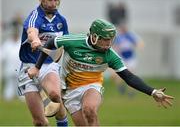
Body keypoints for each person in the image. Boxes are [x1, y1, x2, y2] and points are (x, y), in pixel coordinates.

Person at [27, 19, 174, 126]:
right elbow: (51, 42)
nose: (108, 44)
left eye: (111, 40)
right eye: (105, 40)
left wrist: (153, 92)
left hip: (92, 85)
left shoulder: (110, 55)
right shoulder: (74, 41)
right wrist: (37, 68)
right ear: (94, 36)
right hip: (68, 90)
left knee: (90, 110)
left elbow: (128, 77)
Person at [18, 0, 69, 126]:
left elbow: (66, 42)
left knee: (54, 95)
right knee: (39, 122)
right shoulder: (35, 16)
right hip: (28, 70)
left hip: (48, 66)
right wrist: (35, 40)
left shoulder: (61, 20)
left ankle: (62, 123)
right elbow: (32, 31)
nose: (53, 3)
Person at [105, 23, 145, 97]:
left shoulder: (130, 36)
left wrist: (138, 46)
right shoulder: (118, 37)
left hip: (130, 58)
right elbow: (113, 45)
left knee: (130, 75)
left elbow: (140, 43)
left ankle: (131, 92)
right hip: (122, 57)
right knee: (115, 74)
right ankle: (121, 86)